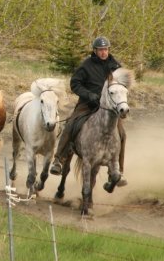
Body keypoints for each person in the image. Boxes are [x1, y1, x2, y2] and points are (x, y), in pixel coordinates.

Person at [50, 36, 128, 186]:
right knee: (71, 124)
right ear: (95, 51)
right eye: (101, 50)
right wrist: (89, 95)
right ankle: (59, 159)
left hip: (109, 107)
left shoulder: (115, 66)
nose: (104, 52)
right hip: (87, 104)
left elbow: (122, 86)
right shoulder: (86, 65)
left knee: (122, 134)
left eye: (106, 49)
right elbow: (75, 83)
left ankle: (118, 173)